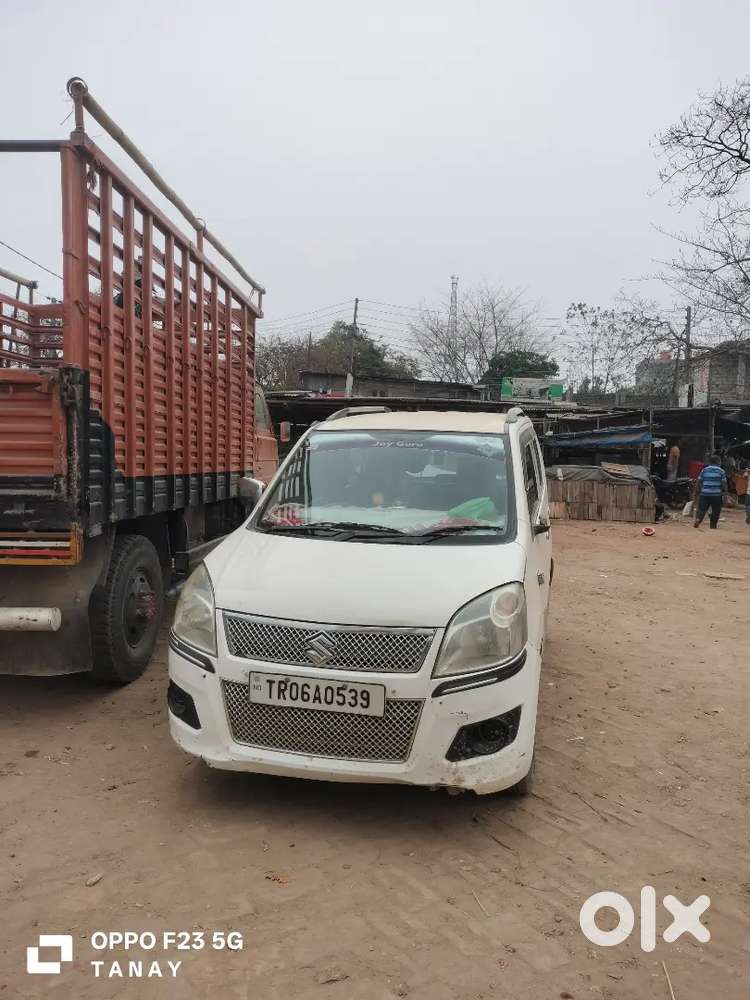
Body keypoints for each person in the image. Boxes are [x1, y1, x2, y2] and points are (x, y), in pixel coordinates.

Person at [693, 454, 728, 529]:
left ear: (710, 462)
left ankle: (698, 519)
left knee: (701, 509)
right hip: (716, 495)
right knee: (716, 510)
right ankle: (713, 525)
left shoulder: (704, 470)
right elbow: (724, 484)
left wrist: (696, 491)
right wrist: (725, 495)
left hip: (704, 493)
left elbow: (698, 481)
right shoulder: (721, 471)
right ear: (718, 462)